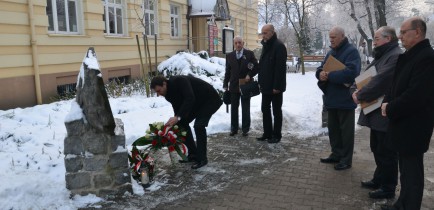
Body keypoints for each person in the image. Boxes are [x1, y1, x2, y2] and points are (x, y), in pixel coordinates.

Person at [380, 17, 434, 210]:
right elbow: (396, 85)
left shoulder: (426, 57)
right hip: (404, 123)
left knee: (412, 174)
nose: (400, 36)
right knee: (406, 170)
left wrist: (390, 107)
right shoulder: (412, 55)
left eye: (403, 32)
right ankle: (402, 204)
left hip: (414, 125)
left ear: (417, 32)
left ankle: (409, 206)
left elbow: (416, 95)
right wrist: (387, 100)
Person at [352, 26, 401, 199]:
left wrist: (361, 94)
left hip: (384, 111)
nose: (374, 41)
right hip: (375, 109)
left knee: (386, 152)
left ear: (388, 39)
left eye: (377, 38)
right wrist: (355, 88)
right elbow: (367, 75)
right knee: (377, 148)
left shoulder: (394, 56)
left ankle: (388, 188)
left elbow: (380, 80)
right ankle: (379, 179)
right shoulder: (383, 54)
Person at [150, 75, 223, 169]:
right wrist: (175, 120)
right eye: (156, 92)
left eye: (159, 91)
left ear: (164, 84)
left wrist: (178, 117)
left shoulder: (180, 80)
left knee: (199, 126)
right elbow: (178, 108)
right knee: (181, 124)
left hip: (210, 99)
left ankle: (202, 159)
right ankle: (193, 155)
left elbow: (190, 98)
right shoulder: (168, 95)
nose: (158, 94)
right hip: (197, 103)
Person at [315, 26, 361, 170]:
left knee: (346, 132)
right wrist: (320, 74)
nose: (331, 39)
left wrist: (329, 75)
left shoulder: (351, 51)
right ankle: (336, 154)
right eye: (330, 37)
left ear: (342, 36)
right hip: (331, 98)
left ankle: (346, 160)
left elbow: (351, 73)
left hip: (345, 100)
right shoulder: (330, 52)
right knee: (333, 130)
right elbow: (320, 68)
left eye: (334, 37)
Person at [256, 24, 287, 144]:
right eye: (262, 33)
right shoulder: (266, 45)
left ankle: (277, 135)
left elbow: (280, 69)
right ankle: (267, 133)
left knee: (276, 110)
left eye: (265, 33)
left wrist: (277, 86)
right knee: (265, 109)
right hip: (266, 85)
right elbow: (263, 66)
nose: (263, 35)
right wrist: (260, 82)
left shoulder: (279, 46)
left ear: (272, 32)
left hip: (275, 87)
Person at [223, 36, 258, 137]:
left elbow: (256, 67)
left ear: (243, 43)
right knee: (234, 108)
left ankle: (245, 129)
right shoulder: (230, 56)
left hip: (245, 85)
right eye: (236, 43)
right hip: (233, 86)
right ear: (234, 44)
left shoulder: (249, 54)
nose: (238, 44)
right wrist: (225, 84)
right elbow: (227, 72)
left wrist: (249, 75)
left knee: (245, 108)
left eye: (240, 42)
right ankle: (234, 129)